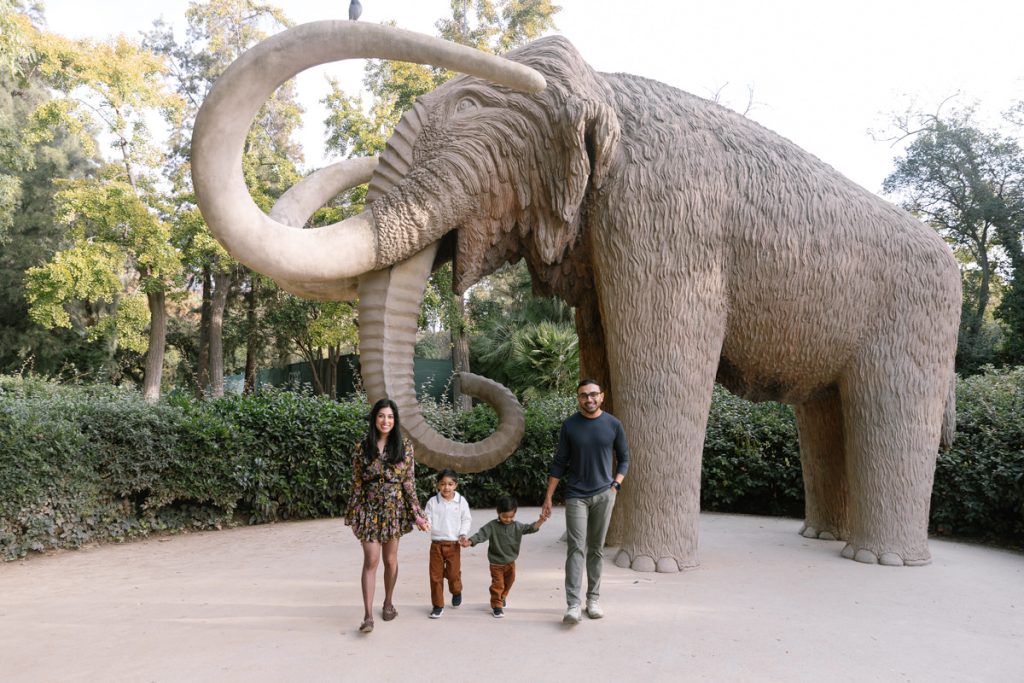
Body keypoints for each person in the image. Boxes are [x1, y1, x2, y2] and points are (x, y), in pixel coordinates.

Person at [541, 379, 629, 625]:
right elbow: (560, 462)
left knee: (596, 549)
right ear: (578, 398)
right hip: (576, 496)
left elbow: (624, 458)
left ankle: (593, 600)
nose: (588, 399)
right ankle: (572, 604)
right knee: (576, 548)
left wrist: (616, 485)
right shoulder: (570, 425)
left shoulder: (613, 424)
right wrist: (549, 496)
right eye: (583, 395)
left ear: (602, 396)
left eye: (593, 395)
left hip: (604, 494)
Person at [344, 398, 430, 633]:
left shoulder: (405, 447)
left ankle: (388, 602)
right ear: (374, 419)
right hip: (368, 510)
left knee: (390, 561)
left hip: (394, 510)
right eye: (382, 416)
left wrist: (418, 515)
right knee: (371, 560)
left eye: (390, 417)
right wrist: (353, 514)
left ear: (395, 420)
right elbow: (357, 483)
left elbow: (409, 484)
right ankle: (367, 616)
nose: (386, 421)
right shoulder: (362, 448)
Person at [461, 496, 545, 618]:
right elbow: (481, 535)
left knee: (509, 581)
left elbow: (530, 528)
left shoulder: (517, 526)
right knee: (498, 585)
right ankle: (497, 606)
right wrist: (469, 541)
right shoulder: (492, 526)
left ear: (515, 513)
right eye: (504, 516)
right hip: (496, 563)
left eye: (511, 516)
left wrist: (541, 521)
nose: (508, 519)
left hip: (510, 562)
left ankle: (502, 597)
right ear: (498, 513)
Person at [423, 468, 472, 618]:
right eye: (443, 484)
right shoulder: (432, 502)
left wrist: (463, 533)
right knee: (435, 576)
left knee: (453, 574)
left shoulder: (461, 501)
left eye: (450, 484)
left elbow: (466, 519)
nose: (446, 487)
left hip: (454, 545)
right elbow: (427, 518)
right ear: (438, 485)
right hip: (436, 545)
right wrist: (426, 524)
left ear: (455, 485)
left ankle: (456, 590)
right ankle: (438, 605)